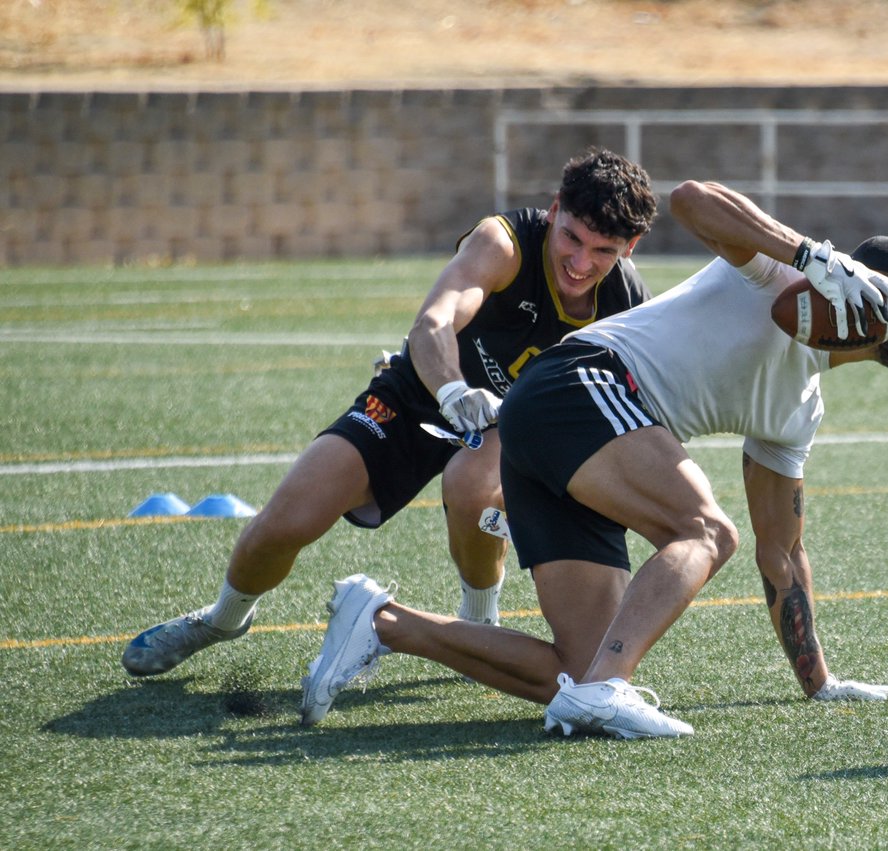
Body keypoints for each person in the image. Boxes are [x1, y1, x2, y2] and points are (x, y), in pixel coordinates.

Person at [298, 178, 888, 738]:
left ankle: (382, 622)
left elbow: (781, 554)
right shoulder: (778, 273)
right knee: (704, 530)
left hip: (573, 431)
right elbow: (692, 198)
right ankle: (608, 686)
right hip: (581, 383)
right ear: (873, 290)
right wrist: (812, 255)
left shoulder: (799, 408)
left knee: (573, 667)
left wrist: (822, 684)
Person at [120, 148, 658, 677]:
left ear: (630, 247)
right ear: (554, 209)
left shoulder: (630, 305)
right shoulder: (505, 243)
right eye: (571, 237)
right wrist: (452, 391)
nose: (581, 263)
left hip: (509, 423)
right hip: (423, 393)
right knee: (289, 517)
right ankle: (222, 619)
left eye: (603, 250)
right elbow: (434, 323)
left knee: (471, 483)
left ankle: (480, 624)